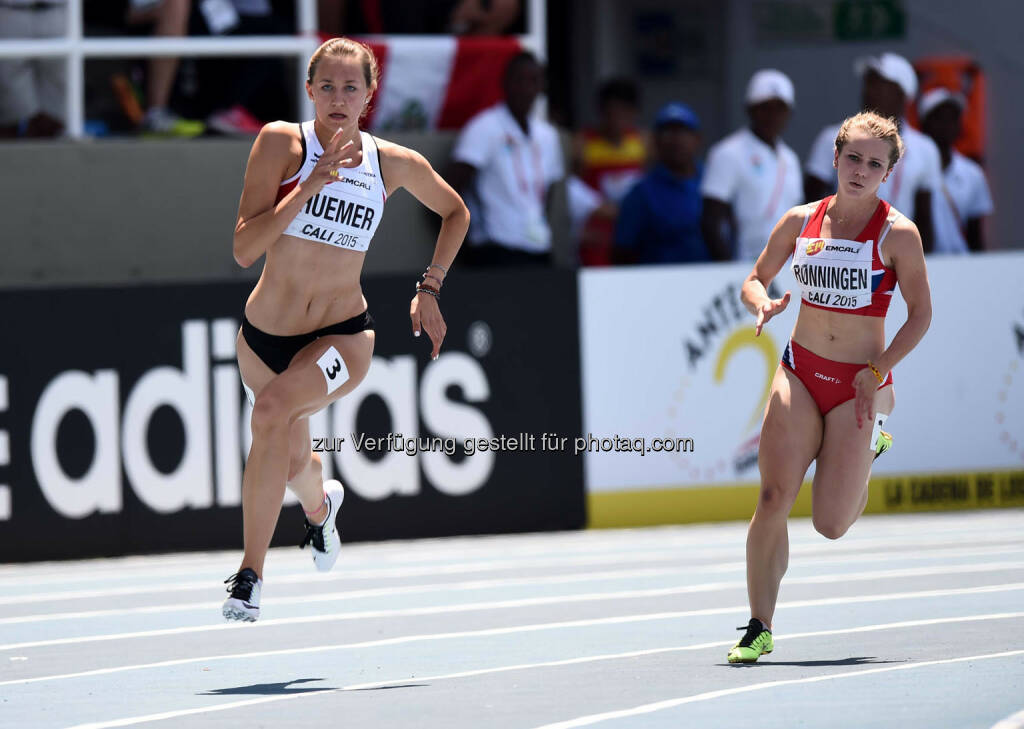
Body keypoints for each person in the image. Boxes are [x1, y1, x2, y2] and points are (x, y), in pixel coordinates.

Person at [222, 37, 469, 622]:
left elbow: (455, 211)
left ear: (369, 94)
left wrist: (429, 286)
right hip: (264, 340)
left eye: (350, 87)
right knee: (290, 463)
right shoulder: (282, 143)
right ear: (309, 91)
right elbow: (242, 248)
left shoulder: (393, 163)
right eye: (326, 86)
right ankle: (320, 508)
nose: (338, 97)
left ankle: (250, 576)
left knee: (270, 413)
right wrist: (306, 187)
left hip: (343, 335)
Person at [728, 111, 932, 662]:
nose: (860, 171)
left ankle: (870, 448)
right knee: (772, 497)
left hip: (859, 386)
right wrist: (761, 302)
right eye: (852, 158)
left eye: (874, 164)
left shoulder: (899, 235)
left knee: (831, 523)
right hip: (800, 369)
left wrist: (878, 368)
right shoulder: (800, 221)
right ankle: (758, 626)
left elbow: (920, 315)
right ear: (835, 157)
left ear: (887, 174)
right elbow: (754, 276)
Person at [805, 53, 941, 251]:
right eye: (868, 83)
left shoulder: (925, 149)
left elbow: (924, 218)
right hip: (841, 257)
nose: (869, 90)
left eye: (879, 84)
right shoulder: (832, 137)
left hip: (897, 259)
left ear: (901, 95)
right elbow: (810, 207)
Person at [447, 51, 565, 266]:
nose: (526, 89)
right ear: (505, 83)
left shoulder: (548, 136)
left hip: (538, 248)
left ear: (541, 87)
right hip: (494, 250)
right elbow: (448, 190)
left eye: (534, 81)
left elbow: (548, 195)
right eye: (520, 80)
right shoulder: (484, 128)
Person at [701, 69, 803, 262]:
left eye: (780, 108)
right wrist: (727, 270)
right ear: (749, 109)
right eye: (765, 107)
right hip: (744, 265)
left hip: (787, 268)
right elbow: (711, 222)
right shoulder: (727, 153)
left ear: (789, 113)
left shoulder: (790, 159)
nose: (772, 116)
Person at [613, 102, 711, 264]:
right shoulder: (641, 193)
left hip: (715, 281)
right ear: (656, 141)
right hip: (660, 284)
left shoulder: (714, 183)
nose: (676, 140)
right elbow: (623, 252)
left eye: (683, 132)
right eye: (668, 132)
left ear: (697, 139)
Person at [573, 78, 647, 266]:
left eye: (623, 113)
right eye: (611, 113)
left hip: (632, 233)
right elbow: (571, 192)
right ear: (601, 112)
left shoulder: (643, 143)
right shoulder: (582, 144)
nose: (616, 119)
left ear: (634, 113)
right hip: (597, 238)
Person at [917, 87, 994, 253]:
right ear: (924, 124)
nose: (947, 125)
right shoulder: (910, 168)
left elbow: (976, 235)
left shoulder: (973, 173)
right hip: (920, 265)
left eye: (953, 118)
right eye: (939, 118)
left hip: (961, 266)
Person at [0, 0, 66, 138]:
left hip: (55, 10)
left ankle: (41, 156)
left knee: (54, 110)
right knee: (8, 110)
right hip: (11, 11)